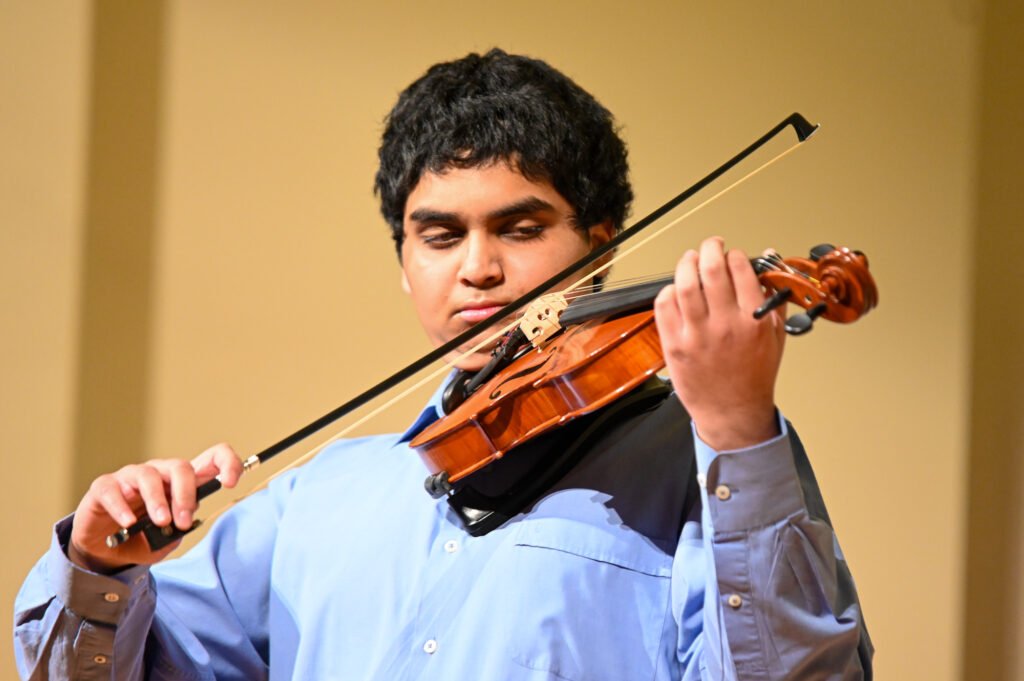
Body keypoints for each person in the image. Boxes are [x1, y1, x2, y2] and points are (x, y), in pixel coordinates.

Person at [14, 49, 872, 680]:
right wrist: (100, 568)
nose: (477, 269)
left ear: (601, 247)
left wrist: (736, 426)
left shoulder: (706, 473)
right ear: (404, 261)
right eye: (439, 235)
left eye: (521, 229)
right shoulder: (315, 502)